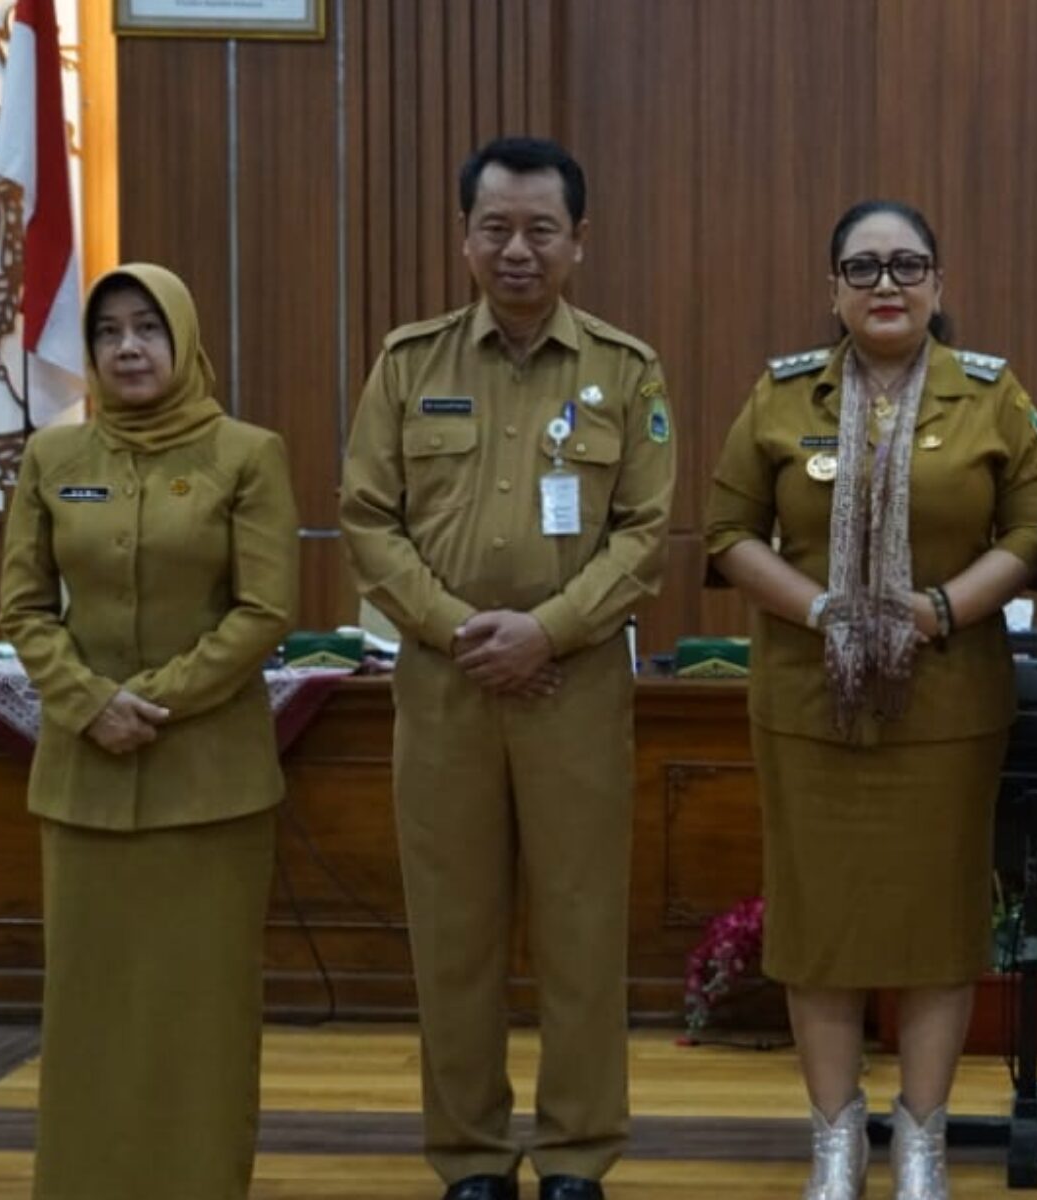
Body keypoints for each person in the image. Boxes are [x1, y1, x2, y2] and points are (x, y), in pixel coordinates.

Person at [338, 135, 675, 1200]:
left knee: (582, 933)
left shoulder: (625, 371)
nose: (517, 250)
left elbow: (647, 532)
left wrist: (550, 631)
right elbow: (366, 520)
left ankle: (577, 1155)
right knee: (455, 935)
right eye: (497, 228)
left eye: (541, 230)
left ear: (580, 240)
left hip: (573, 688)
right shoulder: (408, 364)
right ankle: (471, 1157)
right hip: (443, 691)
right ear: (464, 238)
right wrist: (456, 630)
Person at [704, 199, 1037, 1200]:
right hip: (809, 701)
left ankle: (921, 1143)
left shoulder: (989, 396)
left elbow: (1034, 529)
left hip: (945, 703)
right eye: (863, 269)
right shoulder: (779, 398)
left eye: (907, 266)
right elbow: (726, 532)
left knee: (937, 923)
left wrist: (941, 609)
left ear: (939, 285)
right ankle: (832, 1141)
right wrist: (824, 611)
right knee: (820, 926)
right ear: (834, 292)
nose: (886, 284)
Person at [0, 262, 300, 1199]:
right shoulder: (53, 460)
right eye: (109, 333)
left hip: (209, 789)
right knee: (89, 1013)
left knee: (198, 1016)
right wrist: (90, 703)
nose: (129, 348)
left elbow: (263, 612)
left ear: (183, 339)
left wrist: (153, 701)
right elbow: (22, 608)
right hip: (83, 786)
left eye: (148, 329)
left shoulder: (247, 455)